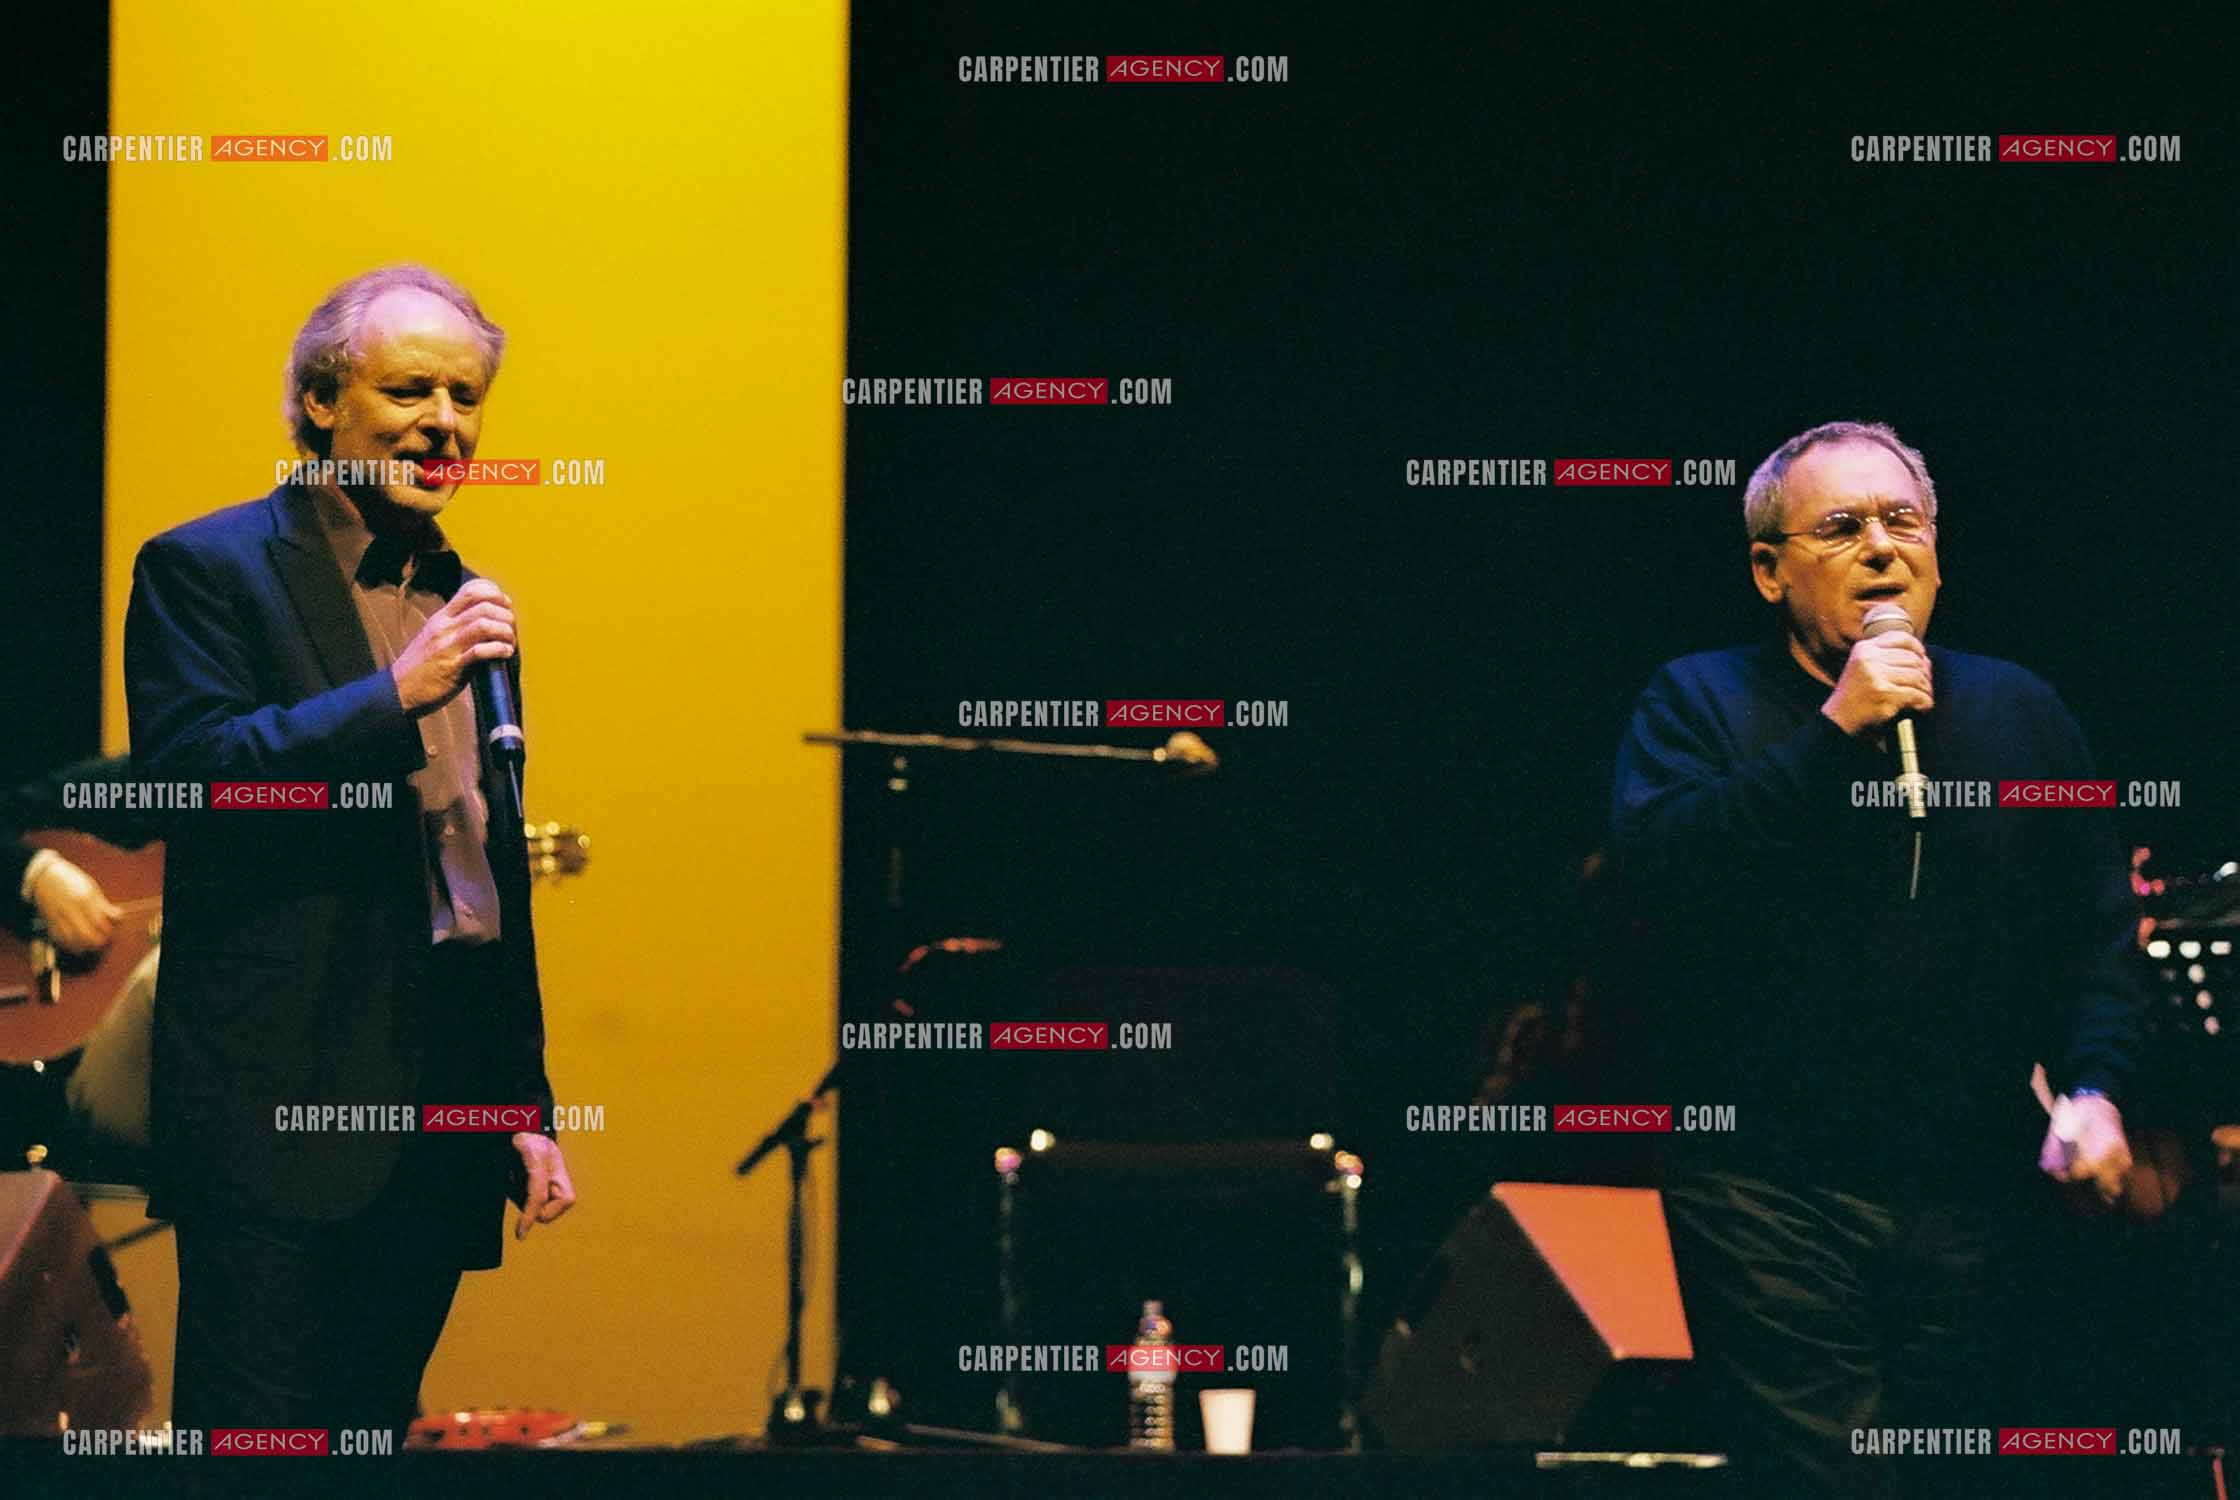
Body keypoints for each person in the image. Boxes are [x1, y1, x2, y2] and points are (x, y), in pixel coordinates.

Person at [1609, 421, 2146, 1492]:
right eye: (1838, 527)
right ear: (1767, 570)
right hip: (1770, 1186)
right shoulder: (1696, 702)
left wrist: (2097, 1088)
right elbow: (1665, 882)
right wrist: (1833, 732)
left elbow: (2093, 930)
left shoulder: (2017, 711)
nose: (1880, 548)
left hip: (1974, 1185)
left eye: (1902, 521)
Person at [123, 264, 576, 1443]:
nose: (445, 421)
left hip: (437, 1108)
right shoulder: (205, 567)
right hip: (281, 1096)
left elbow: (481, 870)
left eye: (467, 397)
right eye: (411, 388)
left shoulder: (467, 597)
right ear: (323, 402)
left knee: (377, 1437)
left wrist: (521, 1102)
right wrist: (394, 693)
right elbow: (192, 776)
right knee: (260, 1446)